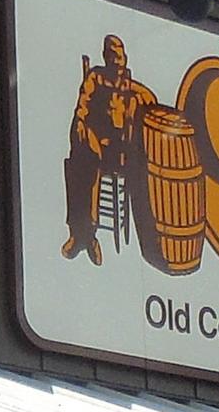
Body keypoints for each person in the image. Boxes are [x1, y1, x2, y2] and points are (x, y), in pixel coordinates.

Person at [58, 35, 155, 264]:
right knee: (81, 163)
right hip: (95, 144)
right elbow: (82, 109)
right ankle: (83, 234)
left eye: (121, 56)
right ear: (106, 57)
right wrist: (81, 129)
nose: (118, 61)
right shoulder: (96, 77)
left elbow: (148, 98)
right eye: (114, 56)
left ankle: (147, 235)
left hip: (121, 149)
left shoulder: (129, 85)